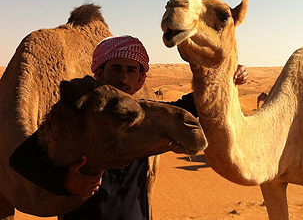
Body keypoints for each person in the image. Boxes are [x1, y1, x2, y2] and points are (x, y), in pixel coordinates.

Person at [9, 35, 248, 220]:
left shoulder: (142, 113)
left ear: (140, 79)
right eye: (116, 69)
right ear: (100, 72)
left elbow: (188, 105)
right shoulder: (81, 111)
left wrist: (226, 81)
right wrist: (64, 181)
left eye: (131, 70)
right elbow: (21, 158)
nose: (123, 78)